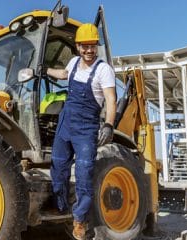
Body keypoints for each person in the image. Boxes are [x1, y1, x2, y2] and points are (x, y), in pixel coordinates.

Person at [46, 23, 116, 240]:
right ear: (77, 46)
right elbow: (64, 73)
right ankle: (60, 207)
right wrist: (44, 70)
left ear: (97, 47)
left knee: (84, 174)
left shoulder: (104, 70)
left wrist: (109, 124)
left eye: (92, 46)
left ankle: (79, 221)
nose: (89, 50)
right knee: (58, 167)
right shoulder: (75, 62)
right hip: (65, 124)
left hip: (86, 128)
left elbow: (111, 100)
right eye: (84, 46)